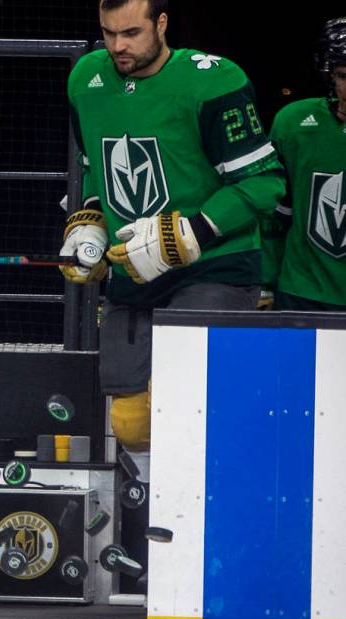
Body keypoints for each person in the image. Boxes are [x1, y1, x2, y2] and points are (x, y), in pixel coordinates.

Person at [59, 0, 285, 482]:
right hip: (133, 269)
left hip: (215, 265)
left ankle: (207, 506)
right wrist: (91, 223)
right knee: (130, 420)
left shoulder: (213, 80)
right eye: (108, 33)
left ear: (162, 24)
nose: (118, 45)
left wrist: (191, 232)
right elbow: (96, 168)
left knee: (192, 401)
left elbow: (264, 184)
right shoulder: (85, 80)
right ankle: (155, 514)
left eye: (132, 32)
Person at [261, 17, 346, 311]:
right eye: (344, 75)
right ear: (329, 74)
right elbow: (274, 211)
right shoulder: (293, 123)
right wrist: (265, 282)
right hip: (302, 291)